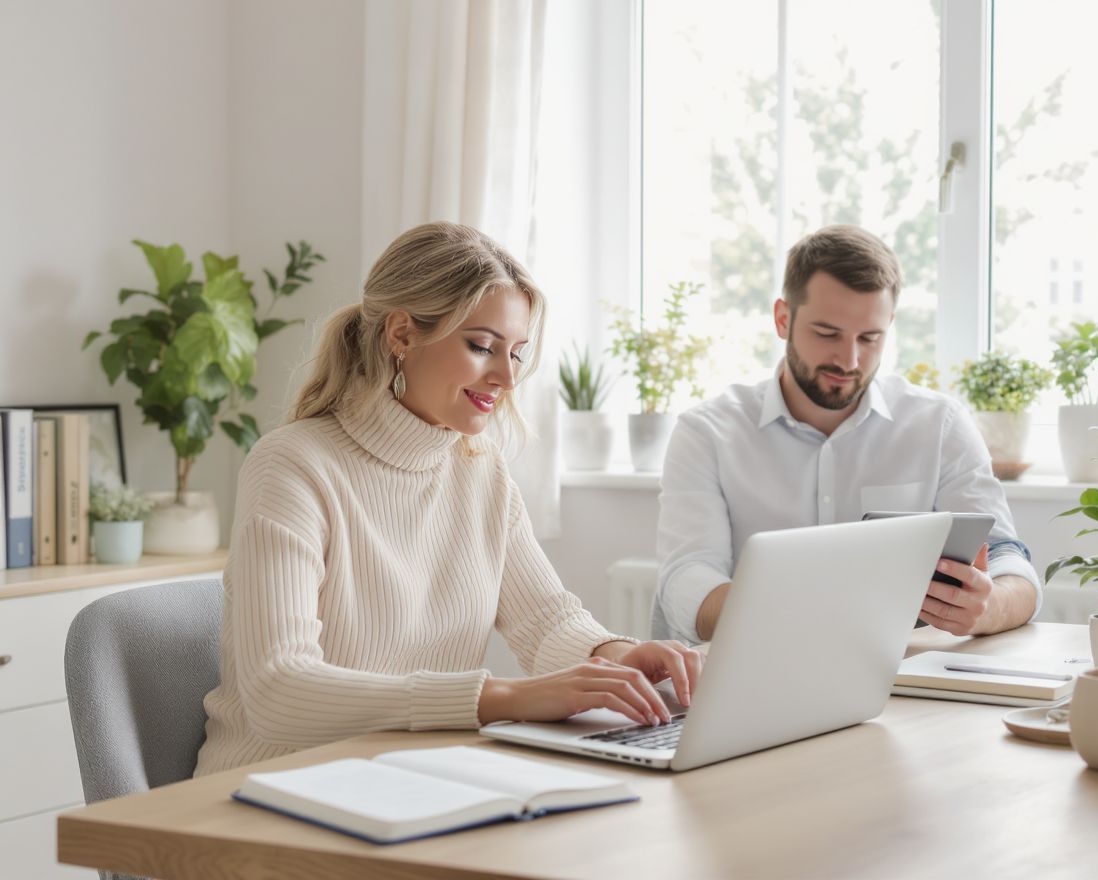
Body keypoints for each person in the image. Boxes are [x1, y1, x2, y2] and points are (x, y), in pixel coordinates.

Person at [195, 222, 700, 777]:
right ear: (402, 335)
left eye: (517, 353)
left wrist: (616, 657)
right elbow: (279, 690)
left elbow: (546, 621)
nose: (506, 377)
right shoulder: (293, 464)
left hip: (412, 782)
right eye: (483, 346)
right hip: (269, 794)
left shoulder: (481, 471)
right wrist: (503, 699)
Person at [653, 224, 1041, 646]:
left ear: (890, 324)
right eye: (827, 334)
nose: (849, 359)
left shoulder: (939, 425)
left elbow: (1008, 559)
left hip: (906, 680)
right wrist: (804, 616)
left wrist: (990, 606)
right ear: (783, 319)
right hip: (761, 668)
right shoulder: (707, 433)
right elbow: (686, 580)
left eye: (870, 338)